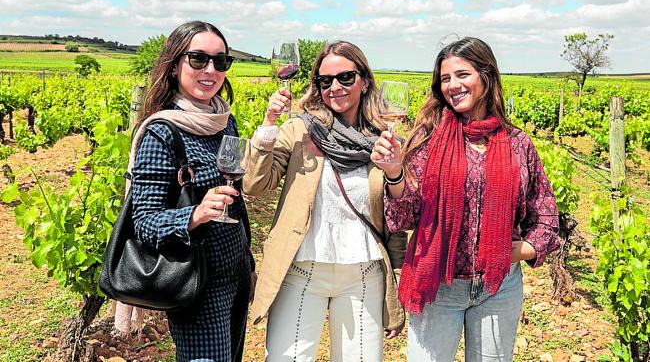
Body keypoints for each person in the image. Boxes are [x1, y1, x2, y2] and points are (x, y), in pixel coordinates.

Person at [372, 37, 560, 361]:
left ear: (486, 77)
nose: (452, 85)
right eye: (445, 78)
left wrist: (512, 253)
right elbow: (404, 218)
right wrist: (394, 174)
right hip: (438, 287)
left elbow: (545, 215)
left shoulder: (519, 144)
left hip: (499, 288)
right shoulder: (427, 139)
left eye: (462, 75)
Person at [243, 41, 407, 362]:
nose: (335, 87)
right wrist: (268, 123)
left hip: (364, 274)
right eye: (324, 80)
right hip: (303, 270)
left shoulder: (385, 139)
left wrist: (395, 172)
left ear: (364, 80)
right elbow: (255, 184)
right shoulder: (301, 130)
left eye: (345, 77)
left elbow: (399, 214)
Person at [128, 20, 255, 361]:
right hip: (197, 283)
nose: (211, 69)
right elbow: (145, 224)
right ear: (174, 66)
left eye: (221, 61)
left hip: (237, 274)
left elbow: (236, 196)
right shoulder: (162, 133)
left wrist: (248, 260)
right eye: (198, 59)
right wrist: (196, 214)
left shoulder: (224, 119)